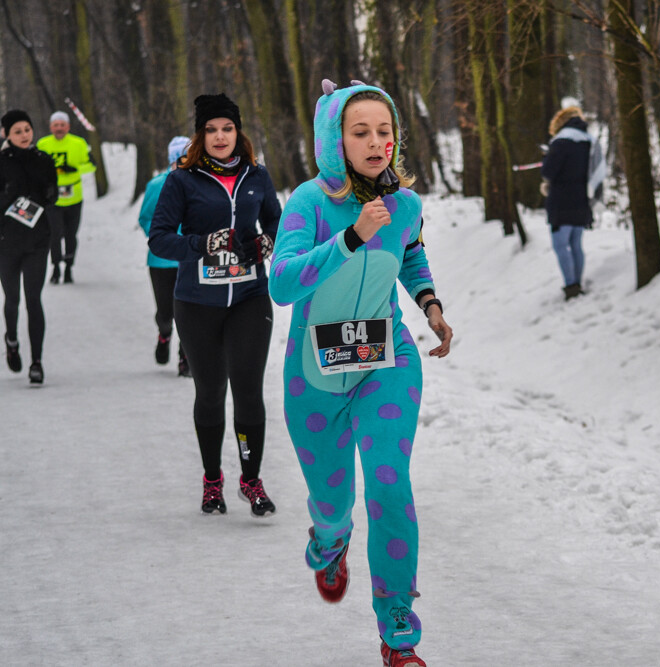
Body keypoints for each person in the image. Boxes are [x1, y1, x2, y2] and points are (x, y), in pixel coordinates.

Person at [269, 79, 452, 667]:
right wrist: (351, 237)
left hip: (387, 362)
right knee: (332, 498)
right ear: (335, 140)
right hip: (313, 373)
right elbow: (282, 282)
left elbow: (412, 252)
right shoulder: (307, 202)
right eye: (360, 132)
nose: (376, 142)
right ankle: (329, 536)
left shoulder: (406, 204)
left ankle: (398, 628)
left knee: (389, 481)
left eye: (385, 131)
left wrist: (429, 305)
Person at [148, 93, 281, 517]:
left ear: (237, 132)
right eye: (211, 129)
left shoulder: (257, 176)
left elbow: (277, 220)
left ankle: (251, 481)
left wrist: (270, 241)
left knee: (248, 393)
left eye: (227, 128)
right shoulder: (181, 181)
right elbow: (159, 237)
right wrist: (201, 244)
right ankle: (212, 481)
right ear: (199, 136)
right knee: (209, 393)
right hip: (197, 301)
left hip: (248, 297)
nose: (220, 136)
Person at [0, 110, 58, 385]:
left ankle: (37, 361)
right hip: (6, 243)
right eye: (17, 132)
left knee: (34, 300)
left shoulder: (43, 159)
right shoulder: (1, 162)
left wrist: (48, 196)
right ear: (6, 135)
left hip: (37, 240)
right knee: (12, 300)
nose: (24, 135)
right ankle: (11, 340)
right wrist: (8, 196)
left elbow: (52, 192)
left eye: (27, 129)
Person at [138, 135, 191, 376]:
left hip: (190, 258)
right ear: (173, 158)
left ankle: (185, 358)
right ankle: (164, 333)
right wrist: (163, 239)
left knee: (188, 311)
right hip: (161, 260)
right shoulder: (157, 185)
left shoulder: (199, 183)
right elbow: (146, 217)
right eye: (181, 157)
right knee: (165, 311)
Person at [540, 105, 605, 301]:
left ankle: (571, 285)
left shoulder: (560, 142)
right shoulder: (589, 141)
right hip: (583, 199)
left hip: (561, 200)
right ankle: (577, 282)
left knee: (560, 245)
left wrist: (546, 159)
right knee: (576, 244)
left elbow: (548, 172)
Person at [36, 111, 96, 284]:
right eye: (56, 125)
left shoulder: (79, 143)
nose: (59, 128)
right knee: (54, 234)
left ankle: (69, 266)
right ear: (51, 127)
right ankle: (56, 267)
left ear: (68, 127)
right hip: (53, 198)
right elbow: (37, 168)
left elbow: (91, 166)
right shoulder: (43, 144)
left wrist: (75, 169)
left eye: (62, 125)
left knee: (71, 234)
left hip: (74, 198)